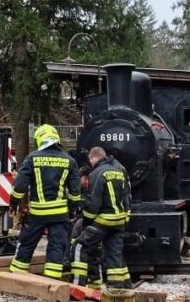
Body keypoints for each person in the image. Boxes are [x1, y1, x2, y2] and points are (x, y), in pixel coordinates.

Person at [9, 124, 79, 280]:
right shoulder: (70, 161)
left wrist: (13, 203)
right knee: (57, 247)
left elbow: (20, 187)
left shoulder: (32, 158)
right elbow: (75, 193)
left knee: (27, 244)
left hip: (37, 213)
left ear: (40, 139)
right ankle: (52, 281)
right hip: (60, 215)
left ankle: (17, 277)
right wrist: (72, 210)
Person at [73, 146, 131, 289]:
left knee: (79, 245)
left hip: (103, 220)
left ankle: (78, 285)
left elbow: (93, 203)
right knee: (114, 253)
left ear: (93, 157)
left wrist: (86, 222)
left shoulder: (97, 174)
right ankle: (118, 287)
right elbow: (126, 197)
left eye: (90, 160)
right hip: (119, 220)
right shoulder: (118, 172)